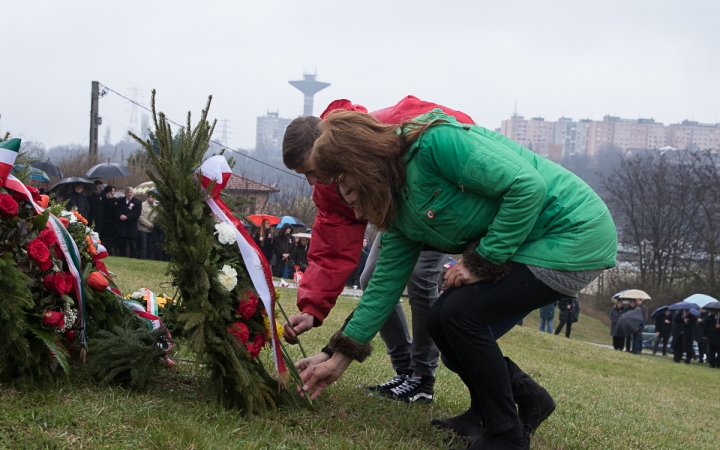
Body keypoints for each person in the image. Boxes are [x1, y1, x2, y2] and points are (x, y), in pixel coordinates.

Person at [297, 109, 617, 449]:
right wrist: (338, 353)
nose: (358, 213)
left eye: (356, 196)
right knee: (442, 322)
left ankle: (506, 435)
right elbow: (382, 289)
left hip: (573, 234)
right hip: (531, 243)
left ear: (366, 169)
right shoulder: (399, 213)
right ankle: (510, 405)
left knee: (460, 317)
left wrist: (482, 261)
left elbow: (527, 187)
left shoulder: (436, 144)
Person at [282, 97, 472, 406]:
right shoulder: (327, 186)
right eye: (305, 175)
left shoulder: (378, 136)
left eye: (314, 170)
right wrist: (311, 309)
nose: (313, 181)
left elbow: (446, 131)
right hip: (396, 221)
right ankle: (405, 369)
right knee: (372, 279)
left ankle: (422, 379)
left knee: (421, 277)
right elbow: (333, 246)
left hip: (430, 201)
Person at [115, 187, 142, 258]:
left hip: (131, 227)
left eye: (131, 193)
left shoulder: (137, 202)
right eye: (128, 193)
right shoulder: (120, 201)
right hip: (122, 226)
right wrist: (120, 215)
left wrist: (127, 217)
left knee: (133, 245)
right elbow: (117, 210)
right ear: (125, 193)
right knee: (122, 244)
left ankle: (133, 258)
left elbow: (137, 213)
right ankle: (122, 257)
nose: (129, 194)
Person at [138, 192, 157, 260]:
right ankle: (143, 260)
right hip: (143, 229)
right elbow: (140, 217)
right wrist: (149, 225)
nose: (152, 199)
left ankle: (151, 260)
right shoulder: (142, 205)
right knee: (144, 247)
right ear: (147, 197)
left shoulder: (156, 206)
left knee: (151, 247)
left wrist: (154, 226)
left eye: (153, 197)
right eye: (151, 197)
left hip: (153, 230)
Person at [100, 185, 118, 256]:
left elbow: (114, 211)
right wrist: (107, 199)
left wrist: (111, 200)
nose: (113, 192)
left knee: (111, 240)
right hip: (104, 222)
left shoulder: (115, 200)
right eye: (111, 191)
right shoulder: (103, 199)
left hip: (112, 223)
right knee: (104, 239)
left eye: (113, 191)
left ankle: (110, 252)